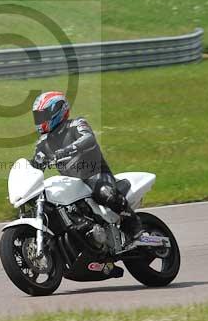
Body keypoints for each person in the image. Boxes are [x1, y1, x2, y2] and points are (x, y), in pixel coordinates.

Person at [29, 91, 146, 245]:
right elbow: (36, 164)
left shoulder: (76, 124)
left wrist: (67, 149)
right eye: (38, 116)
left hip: (95, 174)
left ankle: (136, 230)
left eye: (43, 116)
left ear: (58, 111)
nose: (40, 120)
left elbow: (88, 138)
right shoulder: (43, 143)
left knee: (105, 193)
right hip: (71, 182)